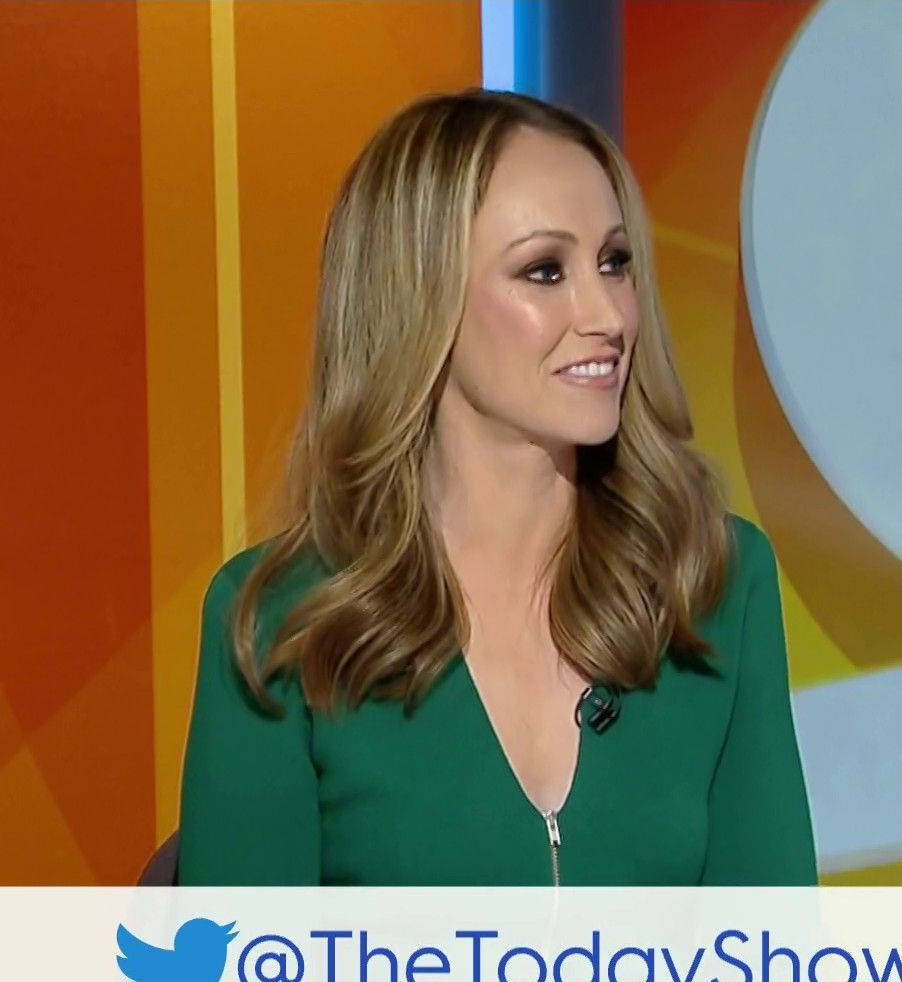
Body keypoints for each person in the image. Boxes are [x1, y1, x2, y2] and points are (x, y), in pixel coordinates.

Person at [176, 89, 816, 886]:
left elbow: (767, 951)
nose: (608, 315)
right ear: (419, 299)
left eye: (614, 263)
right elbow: (243, 967)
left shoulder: (712, 582)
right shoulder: (281, 624)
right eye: (544, 271)